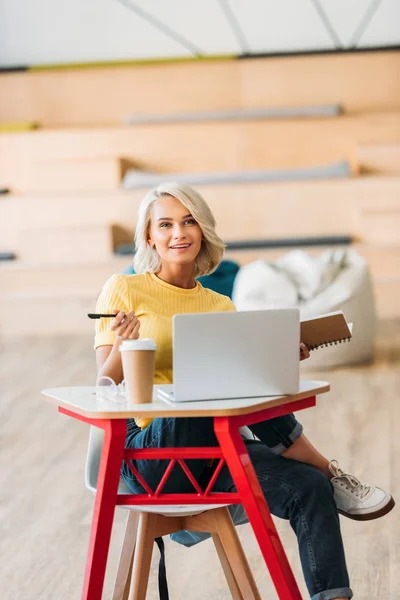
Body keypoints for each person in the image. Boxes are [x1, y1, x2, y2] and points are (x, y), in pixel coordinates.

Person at [94, 182, 394, 600]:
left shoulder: (221, 305)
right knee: (201, 390)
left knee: (309, 488)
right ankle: (329, 468)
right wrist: (123, 345)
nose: (178, 233)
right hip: (152, 454)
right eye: (165, 224)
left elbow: (241, 388)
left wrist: (276, 361)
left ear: (202, 231)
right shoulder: (124, 289)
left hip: (216, 447)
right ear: (149, 236)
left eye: (188, 221)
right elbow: (104, 385)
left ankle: (330, 552)